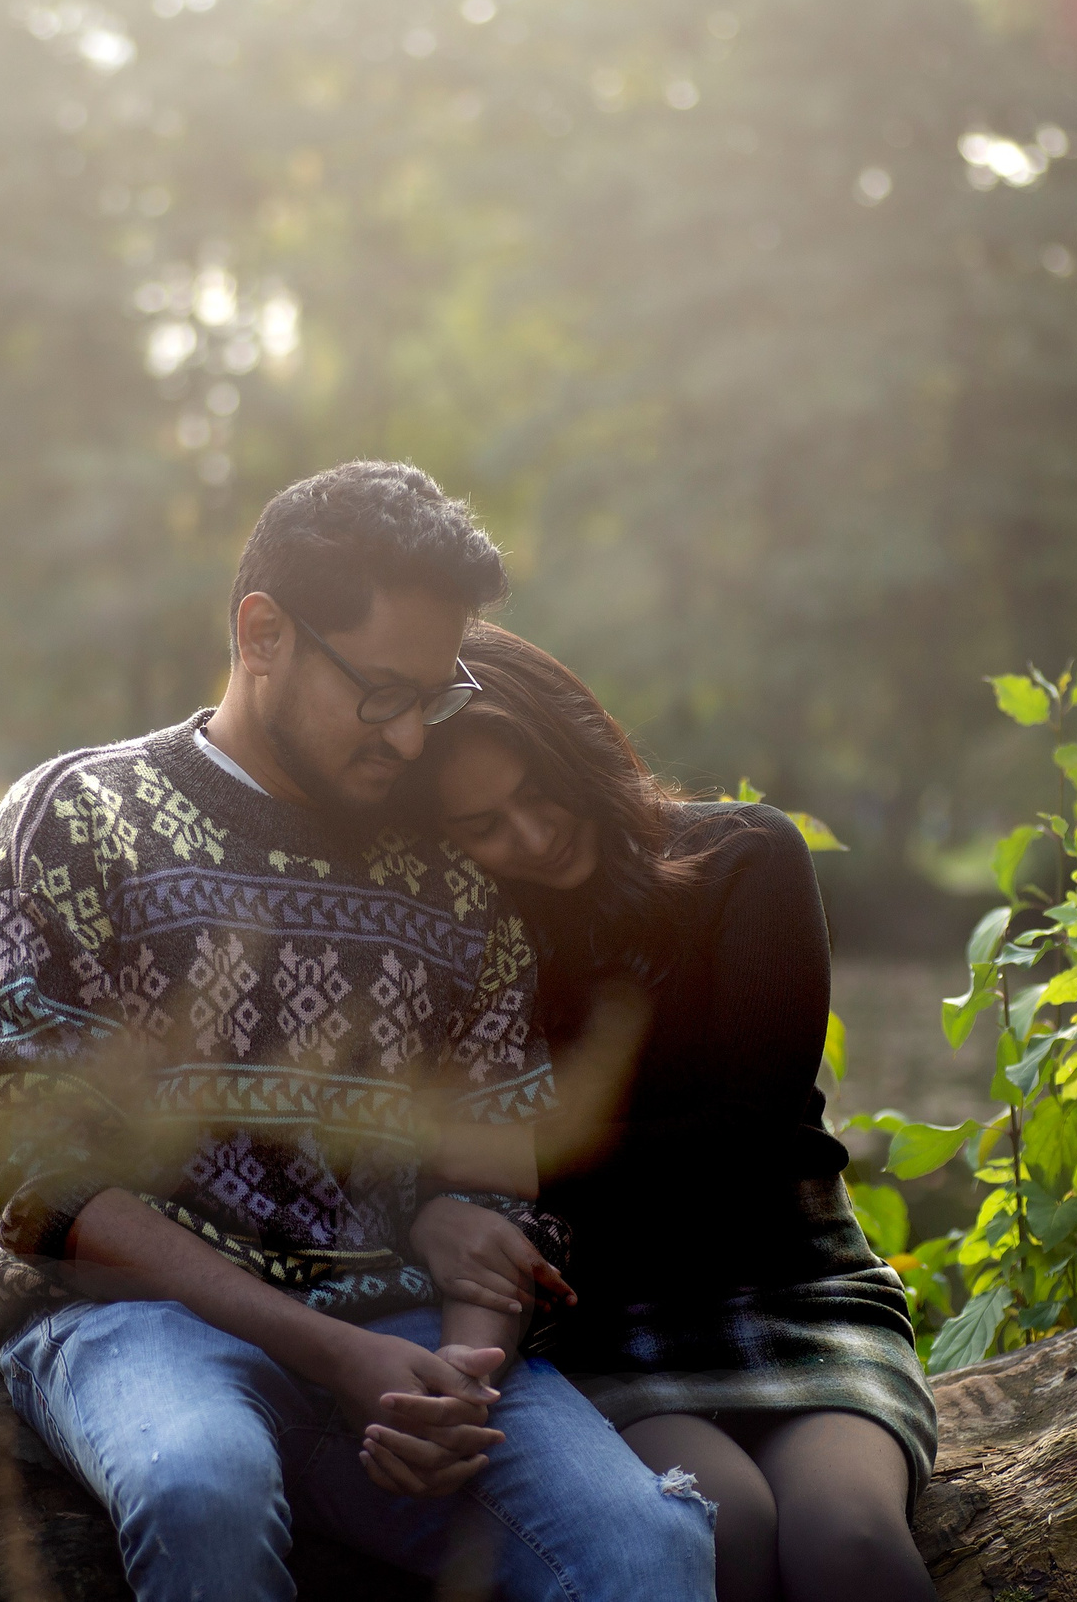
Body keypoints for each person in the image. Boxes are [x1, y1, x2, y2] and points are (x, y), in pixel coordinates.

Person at [0, 463, 716, 1602]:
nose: (409, 741)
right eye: (380, 693)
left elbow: (491, 1186)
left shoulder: (453, 879)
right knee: (201, 1482)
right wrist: (328, 1353)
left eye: (431, 699)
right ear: (263, 635)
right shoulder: (77, 820)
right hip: (130, 1324)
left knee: (645, 1549)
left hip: (400, 1333)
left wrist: (460, 1373)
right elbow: (28, 1178)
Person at [408, 623, 940, 1602]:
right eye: (482, 827)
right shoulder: (471, 938)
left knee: (847, 1540)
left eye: (538, 792)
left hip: (798, 1293)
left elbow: (746, 1133)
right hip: (610, 1320)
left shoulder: (743, 857)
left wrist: (506, 1155)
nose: (527, 836)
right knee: (721, 1526)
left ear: (581, 748)